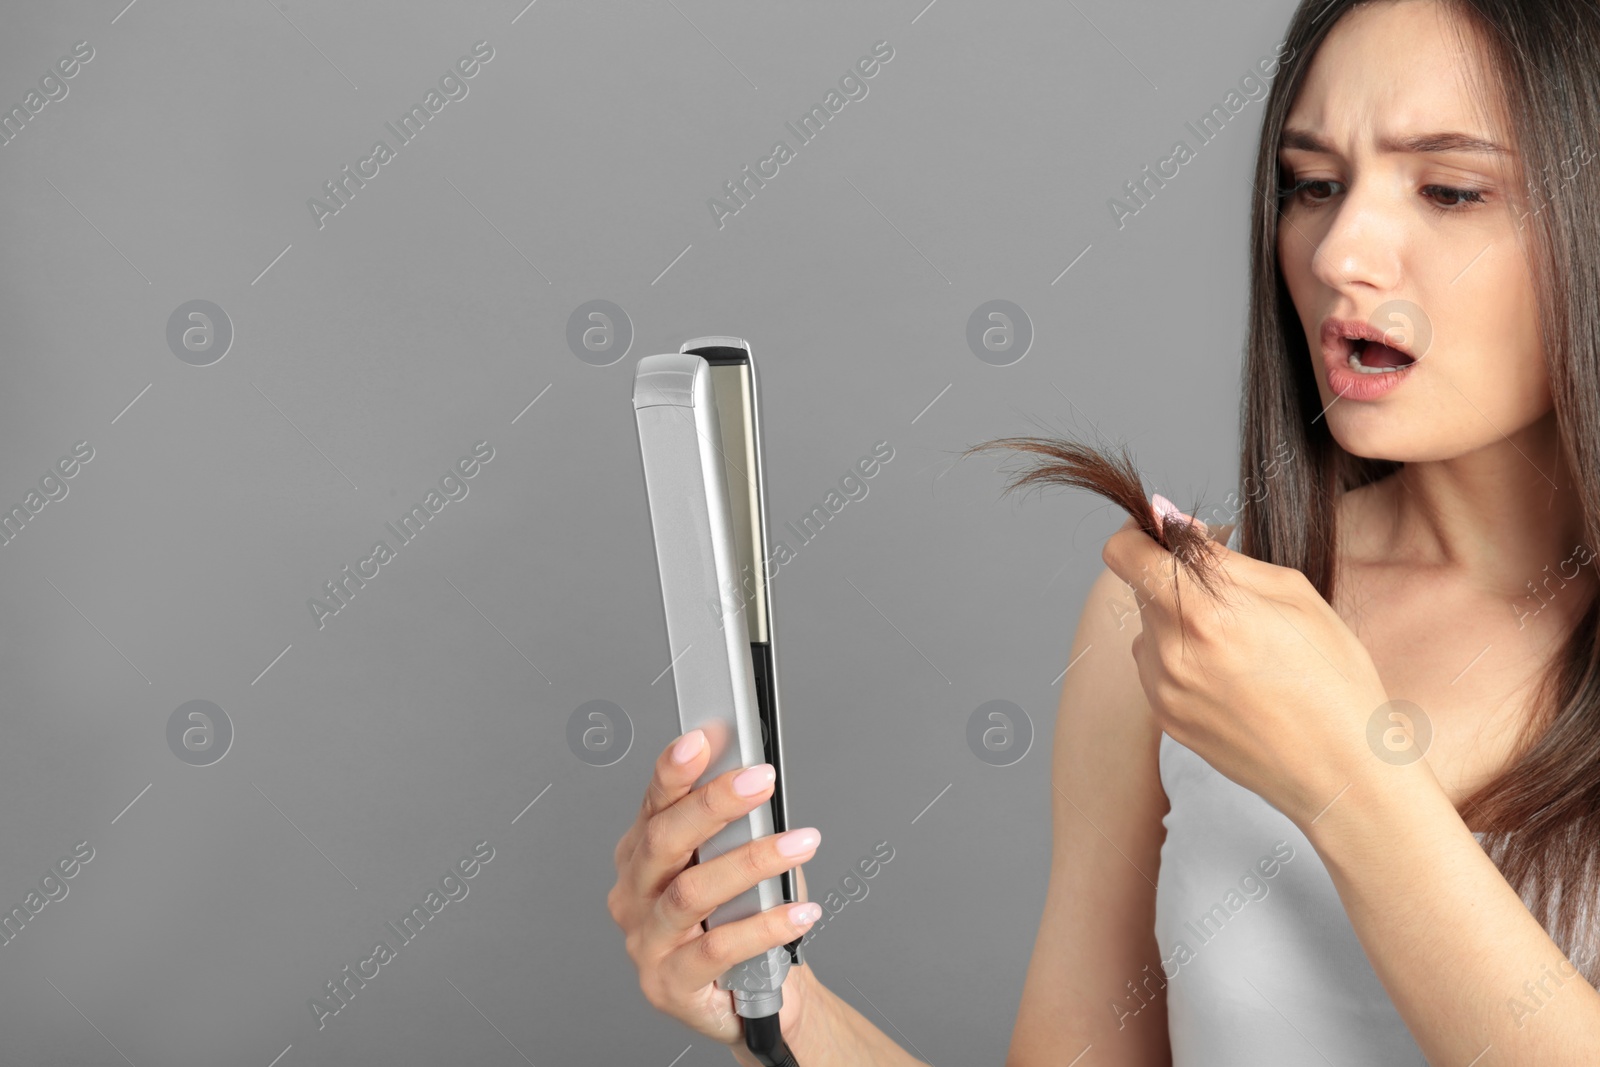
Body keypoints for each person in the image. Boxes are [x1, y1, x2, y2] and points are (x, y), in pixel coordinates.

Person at [609, 0, 1600, 1062]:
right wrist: (787, 1013)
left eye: (1449, 189)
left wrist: (1347, 775)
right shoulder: (1178, 624)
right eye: (1313, 184)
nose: (1339, 249)